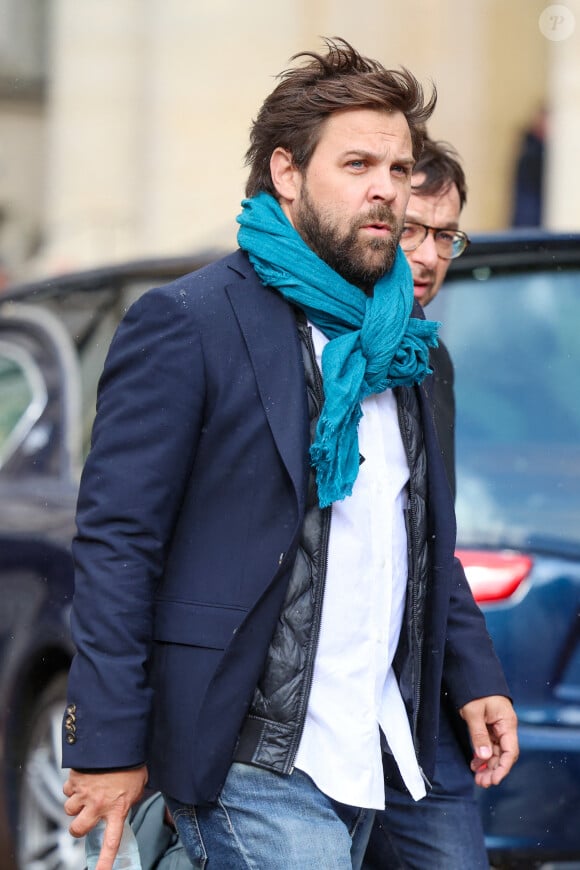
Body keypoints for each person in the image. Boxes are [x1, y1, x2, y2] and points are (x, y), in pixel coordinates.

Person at [62, 38, 518, 870]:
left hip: (381, 734)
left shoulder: (405, 349)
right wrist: (107, 742)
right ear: (285, 172)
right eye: (357, 163)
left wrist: (475, 675)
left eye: (398, 166)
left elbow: (416, 539)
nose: (386, 186)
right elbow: (118, 544)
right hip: (248, 753)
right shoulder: (191, 322)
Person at [363, 139, 493, 870]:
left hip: (412, 705)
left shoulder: (428, 357)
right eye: (412, 230)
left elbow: (430, 540)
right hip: (297, 712)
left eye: (446, 236)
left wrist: (476, 679)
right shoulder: (299, 342)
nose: (429, 256)